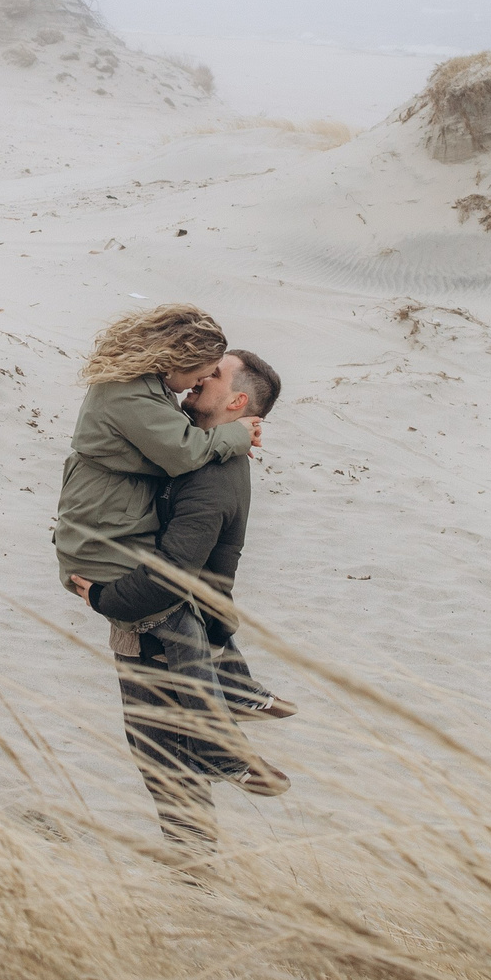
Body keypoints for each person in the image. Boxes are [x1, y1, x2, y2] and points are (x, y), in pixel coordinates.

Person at [72, 349, 292, 854]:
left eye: (211, 375)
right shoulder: (207, 450)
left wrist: (104, 597)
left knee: (163, 761)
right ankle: (196, 861)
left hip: (156, 636)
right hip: (175, 631)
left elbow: (170, 577)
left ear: (236, 401)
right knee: (168, 757)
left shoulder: (209, 476)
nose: (196, 378)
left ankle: (193, 874)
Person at [50, 303, 259, 607]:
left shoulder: (143, 385)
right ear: (179, 362)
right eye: (203, 373)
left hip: (104, 516)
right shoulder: (132, 393)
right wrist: (236, 434)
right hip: (100, 530)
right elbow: (184, 451)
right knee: (168, 621)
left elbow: (169, 435)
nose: (199, 382)